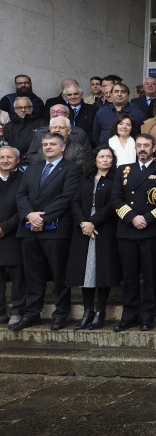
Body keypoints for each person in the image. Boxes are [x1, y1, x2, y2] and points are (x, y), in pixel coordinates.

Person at [10, 133, 80, 330]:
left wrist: (42, 218)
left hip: (55, 230)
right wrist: (30, 215)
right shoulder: (33, 168)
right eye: (45, 144)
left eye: (52, 144)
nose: (48, 147)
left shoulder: (72, 169)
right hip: (29, 229)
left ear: (63, 147)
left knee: (59, 275)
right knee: (32, 275)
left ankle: (61, 313)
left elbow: (66, 197)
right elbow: (21, 195)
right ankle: (32, 314)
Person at [109, 134, 156, 332]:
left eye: (146, 145)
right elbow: (116, 199)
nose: (142, 149)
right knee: (129, 276)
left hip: (151, 230)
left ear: (154, 148)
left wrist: (147, 218)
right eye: (139, 146)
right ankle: (129, 314)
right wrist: (132, 218)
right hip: (127, 230)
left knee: (151, 276)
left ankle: (148, 316)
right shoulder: (123, 170)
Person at [66, 145, 120, 331]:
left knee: (102, 271)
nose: (105, 159)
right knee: (85, 272)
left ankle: (100, 311)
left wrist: (93, 222)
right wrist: (83, 223)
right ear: (95, 159)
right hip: (83, 231)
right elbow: (75, 202)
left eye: (109, 157)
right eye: (101, 156)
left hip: (103, 229)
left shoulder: (116, 179)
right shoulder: (85, 178)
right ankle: (87, 311)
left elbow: (114, 204)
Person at [0, 146, 25, 328]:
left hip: (14, 234)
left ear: (17, 160)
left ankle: (17, 311)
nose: (5, 161)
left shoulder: (23, 179)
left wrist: (5, 227)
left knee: (17, 276)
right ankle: (0, 312)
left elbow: (23, 207)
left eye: (9, 157)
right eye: (2, 157)